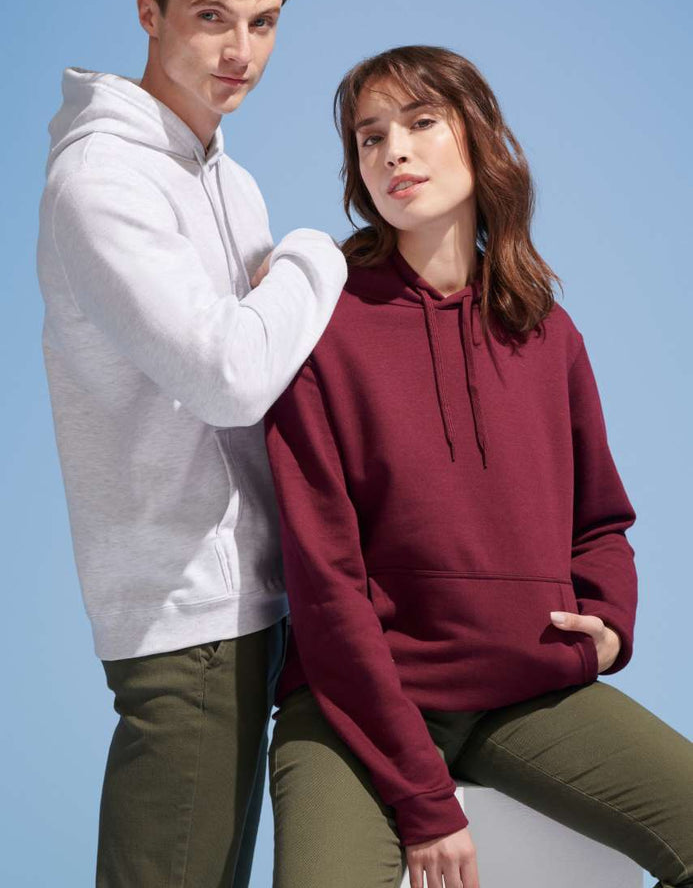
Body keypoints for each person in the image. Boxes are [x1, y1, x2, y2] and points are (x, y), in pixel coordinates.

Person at [263, 45, 693, 888]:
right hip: (355, 707)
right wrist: (425, 802)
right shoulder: (319, 325)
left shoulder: (546, 332)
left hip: (524, 691)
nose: (393, 151)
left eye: (420, 122)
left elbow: (601, 520)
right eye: (369, 136)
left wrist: (609, 622)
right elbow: (324, 583)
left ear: (479, 136)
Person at [36, 0, 346, 887]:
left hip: (254, 607)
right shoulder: (102, 182)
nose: (240, 52)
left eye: (263, 22)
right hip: (184, 620)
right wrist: (318, 255)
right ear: (148, 12)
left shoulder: (227, 179)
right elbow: (230, 375)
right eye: (212, 16)